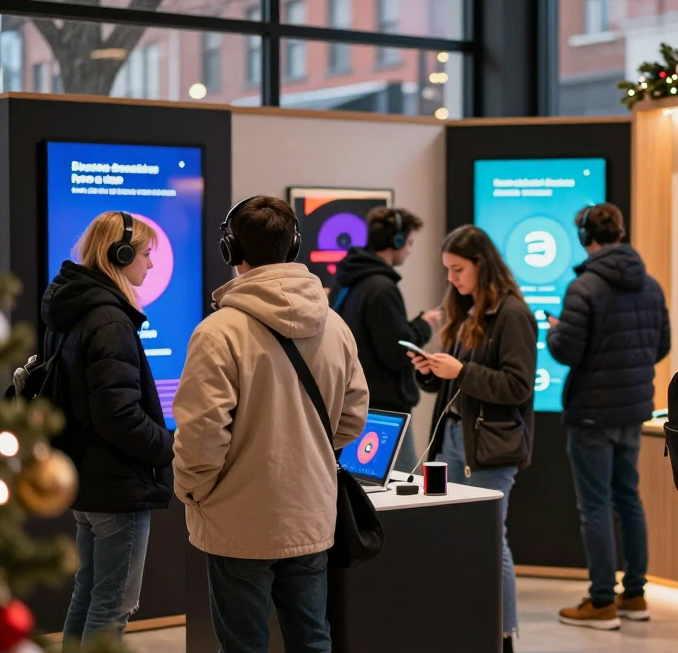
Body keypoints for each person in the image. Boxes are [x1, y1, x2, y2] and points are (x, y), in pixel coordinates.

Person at [172, 196, 369, 653]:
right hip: (310, 514)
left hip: (237, 520)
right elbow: (354, 415)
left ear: (231, 251)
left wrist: (195, 491)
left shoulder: (219, 332)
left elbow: (201, 435)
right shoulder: (334, 325)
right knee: (312, 638)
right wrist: (313, 451)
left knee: (243, 645)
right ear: (294, 245)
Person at [37, 212, 174, 647]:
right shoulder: (110, 321)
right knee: (113, 605)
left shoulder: (74, 310)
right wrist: (169, 446)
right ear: (121, 255)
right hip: (116, 485)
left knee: (89, 593)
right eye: (146, 255)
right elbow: (118, 416)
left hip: (88, 478)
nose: (150, 265)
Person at [408, 225, 537, 653]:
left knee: (488, 541)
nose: (453, 279)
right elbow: (454, 390)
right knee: (456, 539)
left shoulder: (514, 314)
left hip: (489, 449)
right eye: (448, 271)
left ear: (481, 264)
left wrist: (461, 372)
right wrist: (430, 371)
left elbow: (517, 387)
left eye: (458, 269)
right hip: (452, 441)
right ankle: (466, 627)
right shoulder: (467, 313)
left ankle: (502, 635)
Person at [546, 203, 670, 630]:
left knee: (595, 507)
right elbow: (662, 346)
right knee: (628, 500)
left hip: (593, 415)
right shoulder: (650, 285)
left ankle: (601, 601)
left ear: (586, 238)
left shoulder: (584, 289)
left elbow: (568, 351)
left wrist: (553, 331)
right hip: (633, 411)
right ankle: (634, 595)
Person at [330, 207, 443, 472]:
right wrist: (424, 325)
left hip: (354, 402)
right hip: (385, 410)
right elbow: (396, 350)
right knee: (400, 484)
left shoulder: (349, 282)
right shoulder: (381, 288)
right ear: (398, 241)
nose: (410, 250)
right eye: (410, 243)